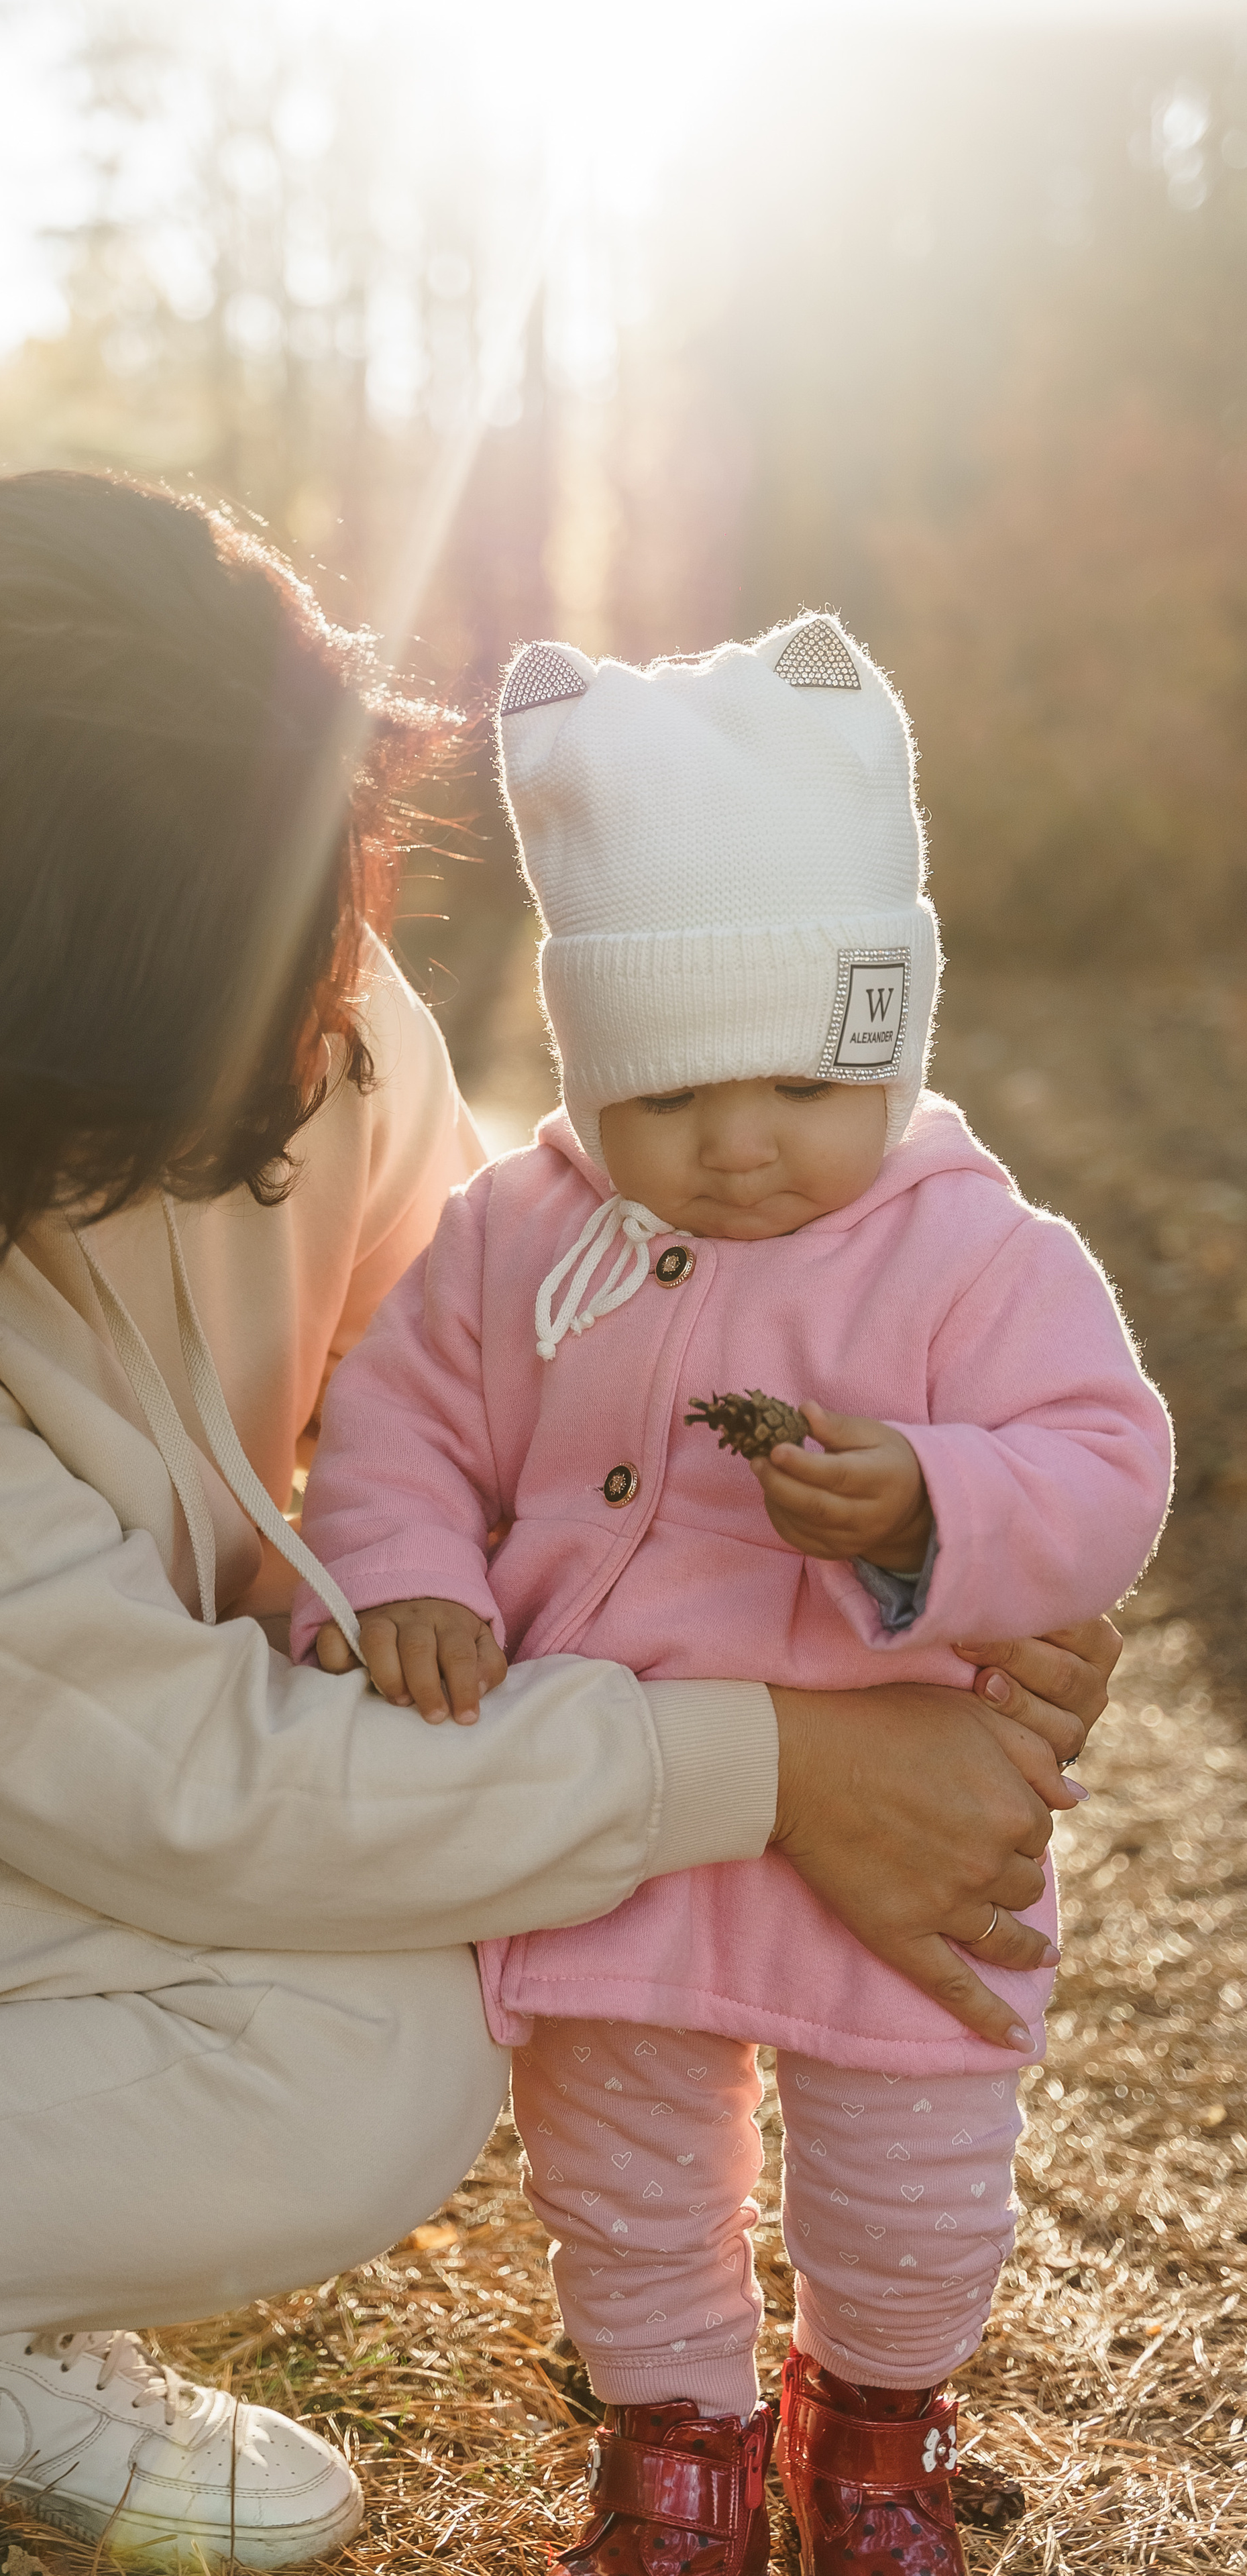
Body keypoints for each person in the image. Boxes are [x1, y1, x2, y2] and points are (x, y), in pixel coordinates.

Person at [0, 480, 1114, 2576]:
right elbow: (185, 1790)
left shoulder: (260, 977)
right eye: (235, 1023)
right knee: (345, 2053)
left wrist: (944, 1569)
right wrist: (776, 1768)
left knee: (382, 1993)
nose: (315, 1047)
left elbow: (477, 1402)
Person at [295, 619, 1170, 2575]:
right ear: (593, 1075)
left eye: (796, 1082)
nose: (741, 1144)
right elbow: (395, 1434)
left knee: (915, 2167)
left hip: (900, 1805)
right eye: (673, 1099)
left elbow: (1108, 1467)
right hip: (615, 1801)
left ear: (891, 1042)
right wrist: (408, 1576)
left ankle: (877, 2427)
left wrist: (932, 1500)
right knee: (618, 2165)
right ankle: (673, 2433)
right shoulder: (518, 1239)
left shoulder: (968, 1247)